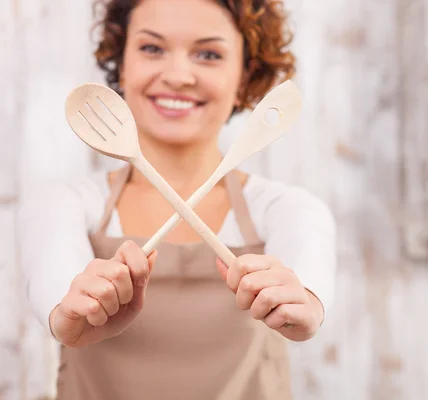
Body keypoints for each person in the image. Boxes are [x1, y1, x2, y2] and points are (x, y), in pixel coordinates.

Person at [16, 0, 336, 399]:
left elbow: (309, 281)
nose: (178, 75)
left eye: (208, 54)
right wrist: (70, 316)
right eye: (152, 48)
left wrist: (304, 306)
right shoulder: (64, 203)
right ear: (122, 63)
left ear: (246, 73)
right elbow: (55, 289)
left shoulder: (286, 209)